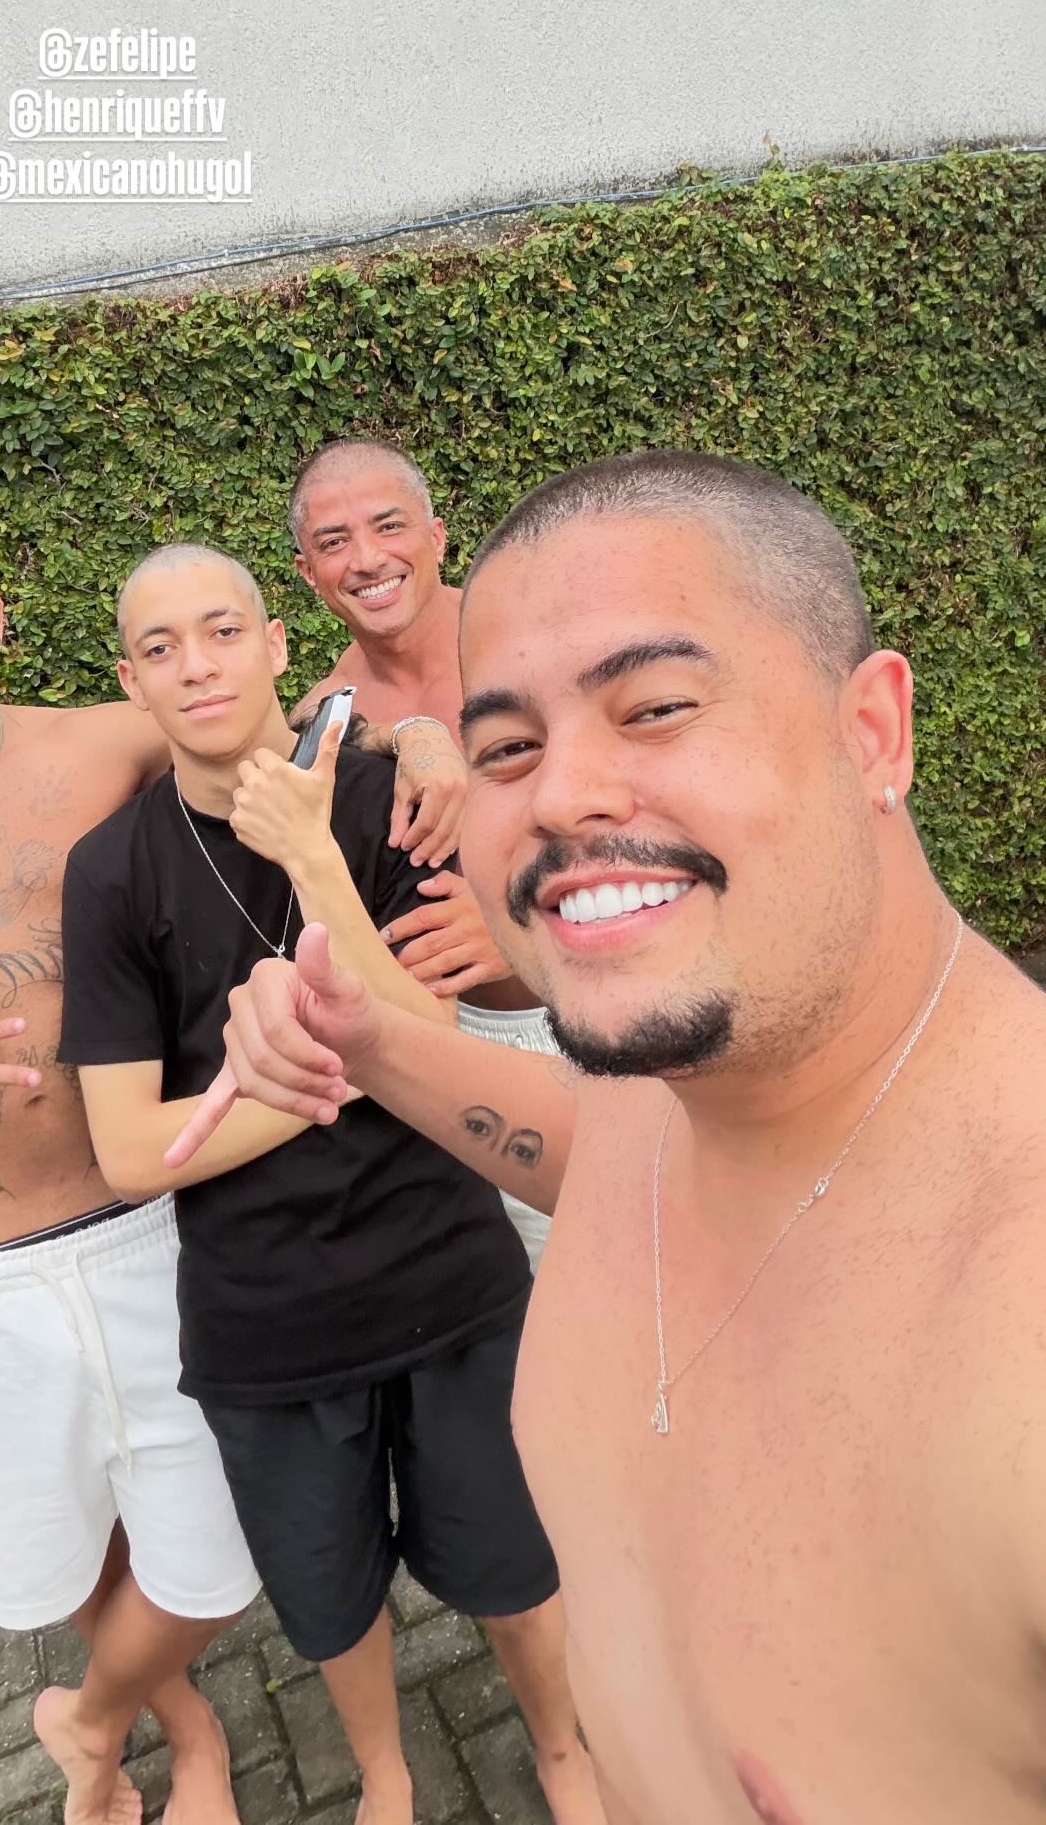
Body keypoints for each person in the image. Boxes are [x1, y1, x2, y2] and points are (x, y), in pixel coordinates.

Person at [169, 450, 1046, 1825]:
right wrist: (372, 1037)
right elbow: (597, 1146)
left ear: (875, 730)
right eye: (506, 746)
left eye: (656, 708)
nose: (561, 795)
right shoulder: (691, 1078)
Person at [0, 504, 459, 1825]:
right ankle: (188, 1738)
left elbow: (298, 720)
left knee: (212, 1554)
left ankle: (89, 1715)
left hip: (151, 1221)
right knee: (69, 1546)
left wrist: (426, 739)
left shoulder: (112, 737)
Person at [58, 544, 606, 1825]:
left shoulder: (386, 807)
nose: (197, 666)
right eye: (160, 648)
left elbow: (435, 1037)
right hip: (269, 1318)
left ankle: (563, 1750)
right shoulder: (113, 871)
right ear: (132, 683)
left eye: (222, 631)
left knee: (517, 1558)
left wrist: (311, 858)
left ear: (273, 647)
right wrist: (349, 1077)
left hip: (450, 1274)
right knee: (329, 1593)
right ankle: (385, 1773)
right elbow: (131, 1153)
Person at [289, 436, 556, 1264]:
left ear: (437, 536)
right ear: (308, 573)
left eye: (389, 526)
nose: (368, 559)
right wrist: (408, 731)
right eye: (335, 542)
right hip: (445, 1059)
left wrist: (522, 929)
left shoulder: (534, 643)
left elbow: (650, 812)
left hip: (585, 1012)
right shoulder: (328, 713)